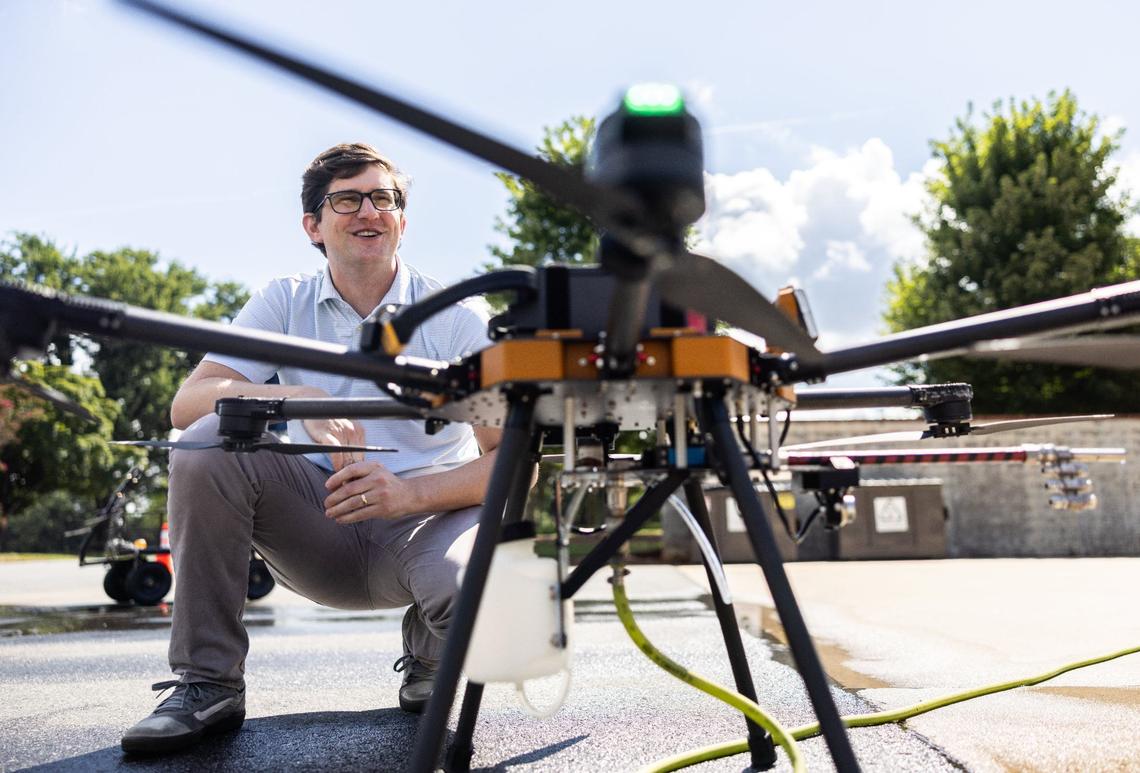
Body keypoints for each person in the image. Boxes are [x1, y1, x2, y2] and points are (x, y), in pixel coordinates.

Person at [121, 143, 498, 754]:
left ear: (403, 218)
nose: (368, 212)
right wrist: (299, 397)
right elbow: (187, 405)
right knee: (205, 442)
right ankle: (208, 683)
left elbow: (515, 462)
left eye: (383, 198)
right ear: (313, 226)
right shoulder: (284, 299)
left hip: (425, 523)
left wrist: (408, 494)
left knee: (475, 596)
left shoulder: (460, 315)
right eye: (346, 200)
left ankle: (433, 653)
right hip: (316, 525)